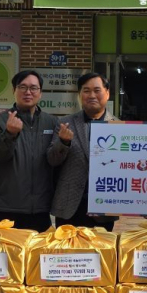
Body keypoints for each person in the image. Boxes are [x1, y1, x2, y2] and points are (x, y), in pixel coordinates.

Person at [0, 70, 59, 232]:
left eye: (33, 88)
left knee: (38, 256)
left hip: (40, 208)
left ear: (41, 93)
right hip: (6, 208)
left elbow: (55, 160)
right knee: (6, 256)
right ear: (14, 90)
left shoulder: (51, 122)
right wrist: (9, 134)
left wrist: (65, 143)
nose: (28, 92)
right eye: (22, 87)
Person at [47, 72, 120, 229]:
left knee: (101, 253)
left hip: (104, 208)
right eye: (86, 91)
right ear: (79, 95)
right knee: (66, 253)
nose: (92, 95)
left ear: (107, 93)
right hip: (69, 206)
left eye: (97, 90)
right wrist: (63, 142)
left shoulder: (120, 127)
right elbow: (52, 160)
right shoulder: (64, 123)